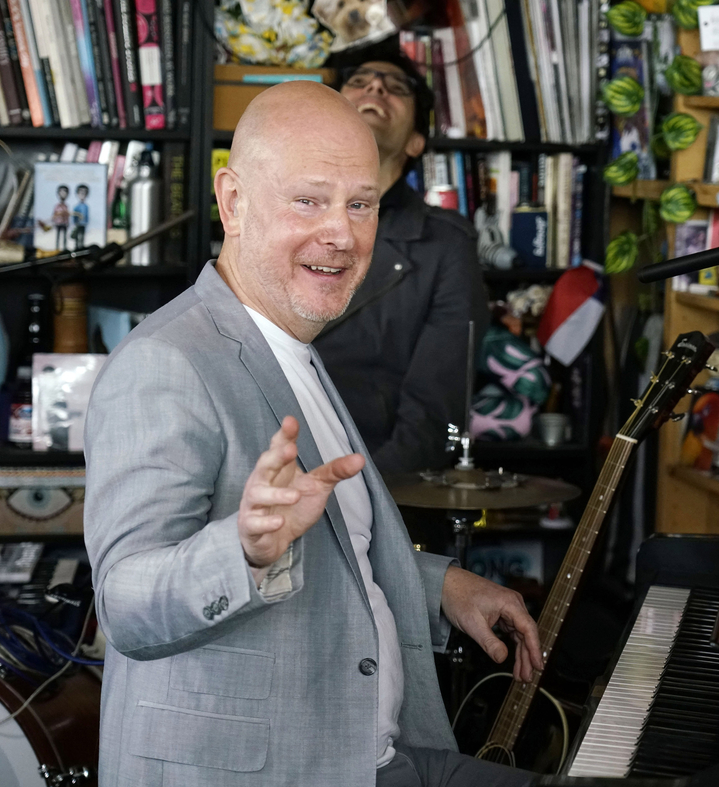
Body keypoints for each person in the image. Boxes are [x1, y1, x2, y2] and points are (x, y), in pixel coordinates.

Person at [84, 81, 541, 786]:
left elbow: (335, 549)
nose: (342, 234)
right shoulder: (166, 362)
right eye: (308, 200)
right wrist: (242, 549)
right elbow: (125, 604)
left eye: (360, 204)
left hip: (372, 755)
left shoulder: (292, 345)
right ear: (233, 202)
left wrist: (442, 585)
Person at [312, 46, 490, 476]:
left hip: (373, 484)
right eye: (358, 81)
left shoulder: (445, 245)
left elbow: (432, 417)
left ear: (415, 142)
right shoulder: (279, 217)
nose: (375, 87)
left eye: (396, 87)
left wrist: (353, 495)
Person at [70, 184, 90, 248]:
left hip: (83, 225)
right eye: (81, 193)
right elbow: (74, 215)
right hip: (78, 224)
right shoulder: (76, 206)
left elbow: (87, 216)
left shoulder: (86, 206)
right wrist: (75, 222)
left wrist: (86, 222)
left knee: (82, 236)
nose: (82, 195)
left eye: (84, 193)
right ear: (77, 194)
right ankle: (77, 247)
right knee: (77, 236)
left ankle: (81, 247)